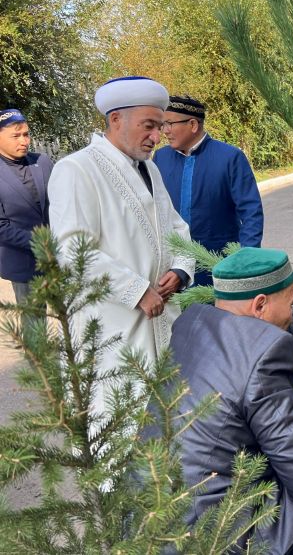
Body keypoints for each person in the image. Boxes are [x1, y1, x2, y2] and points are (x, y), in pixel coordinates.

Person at [165, 246, 293, 554]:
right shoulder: (264, 360)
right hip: (218, 537)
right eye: (290, 301)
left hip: (159, 521)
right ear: (260, 304)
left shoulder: (191, 326)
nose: (291, 311)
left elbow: (273, 330)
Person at [48, 76, 195, 420]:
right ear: (116, 119)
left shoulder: (151, 170)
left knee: (164, 434)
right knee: (117, 433)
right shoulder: (75, 170)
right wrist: (137, 290)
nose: (156, 137)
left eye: (159, 127)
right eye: (148, 126)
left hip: (160, 326)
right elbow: (72, 251)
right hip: (112, 333)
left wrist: (181, 270)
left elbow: (177, 228)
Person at [153, 95, 264, 286]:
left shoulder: (230, 157)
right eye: (163, 125)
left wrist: (245, 261)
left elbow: (251, 212)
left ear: (193, 124)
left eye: (169, 124)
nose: (165, 131)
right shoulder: (160, 158)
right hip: (173, 270)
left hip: (220, 265)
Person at [0, 109, 52, 304]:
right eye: (16, 136)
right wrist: (42, 243)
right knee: (35, 331)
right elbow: (1, 227)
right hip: (24, 264)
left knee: (72, 320)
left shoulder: (42, 162)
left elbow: (60, 203)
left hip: (59, 259)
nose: (24, 141)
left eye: (26, 134)